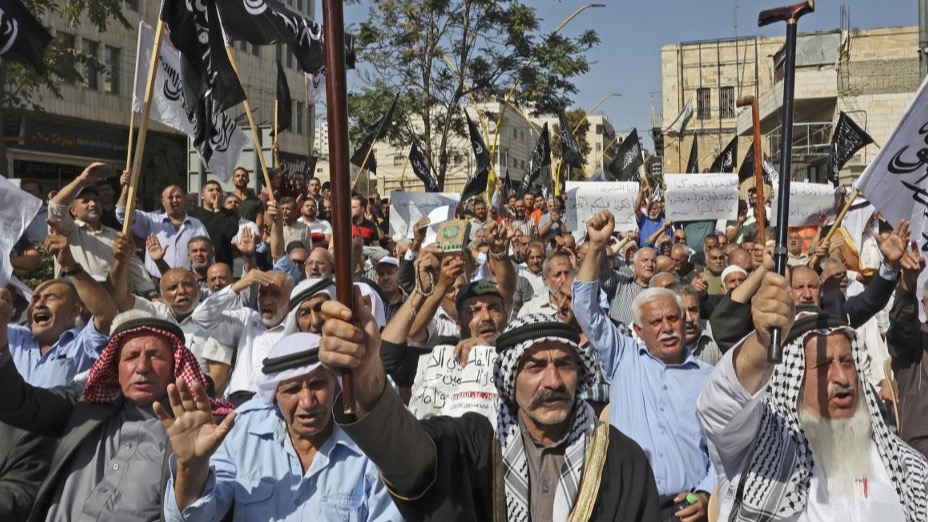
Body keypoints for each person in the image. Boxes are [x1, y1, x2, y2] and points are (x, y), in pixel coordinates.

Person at [320, 294, 661, 520]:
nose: (553, 381)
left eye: (565, 365)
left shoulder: (621, 458)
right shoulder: (477, 441)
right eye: (535, 366)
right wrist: (367, 383)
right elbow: (411, 459)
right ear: (510, 378)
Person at [697, 271, 928, 520]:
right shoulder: (761, 446)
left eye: (847, 361)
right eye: (823, 365)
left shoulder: (904, 467)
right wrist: (763, 344)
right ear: (793, 379)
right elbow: (718, 408)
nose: (842, 377)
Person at [0, 309, 231, 521]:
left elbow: (198, 516)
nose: (142, 367)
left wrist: (192, 467)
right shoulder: (82, 409)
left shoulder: (203, 432)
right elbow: (16, 403)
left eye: (155, 356)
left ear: (175, 368)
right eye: (130, 357)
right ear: (114, 368)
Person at [160, 333, 402, 521]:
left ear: (336, 387)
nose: (307, 402)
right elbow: (194, 518)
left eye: (318, 384)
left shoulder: (368, 446)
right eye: (292, 389)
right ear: (274, 396)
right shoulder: (242, 433)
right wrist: (192, 467)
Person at [575, 209, 716, 520]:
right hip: (629, 505)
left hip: (687, 507)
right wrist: (596, 246)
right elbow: (585, 307)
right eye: (656, 322)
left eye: (673, 318)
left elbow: (725, 447)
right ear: (638, 331)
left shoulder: (709, 378)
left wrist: (708, 492)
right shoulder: (623, 358)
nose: (667, 327)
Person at [2, 225, 117, 389]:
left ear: (75, 310)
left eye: (50, 297)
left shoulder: (83, 343)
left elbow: (107, 316)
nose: (39, 304)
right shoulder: (12, 336)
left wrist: (70, 265)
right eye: (34, 299)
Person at [47, 162, 155, 295]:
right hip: (75, 304)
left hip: (110, 303)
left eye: (95, 200)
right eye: (86, 201)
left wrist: (151, 293)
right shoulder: (66, 230)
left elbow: (134, 265)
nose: (93, 203)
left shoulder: (115, 235)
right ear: (73, 210)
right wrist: (82, 179)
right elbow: (56, 206)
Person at [117, 180, 209, 279]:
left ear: (184, 200)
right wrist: (125, 190)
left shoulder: (197, 225)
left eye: (178, 197)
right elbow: (122, 214)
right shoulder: (151, 221)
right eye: (170, 197)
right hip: (156, 284)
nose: (175, 200)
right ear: (163, 202)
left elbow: (209, 254)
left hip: (187, 283)